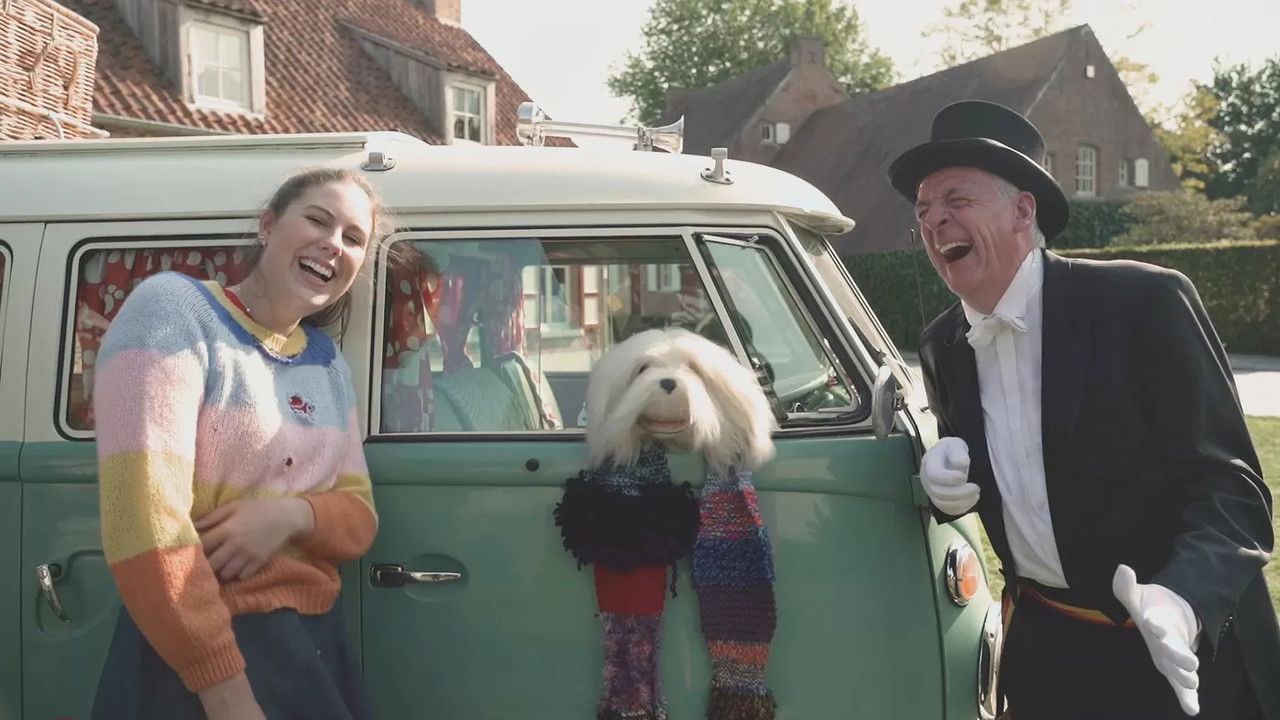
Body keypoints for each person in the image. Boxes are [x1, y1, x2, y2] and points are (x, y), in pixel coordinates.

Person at [892, 100, 1280, 719]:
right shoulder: (943, 345)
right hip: (1049, 656)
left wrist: (1181, 600)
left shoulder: (1144, 302)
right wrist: (944, 483)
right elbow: (1002, 477)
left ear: (1023, 211)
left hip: (1183, 655)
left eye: (957, 199)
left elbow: (1234, 492)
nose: (935, 220)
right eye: (923, 209)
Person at [91, 168, 388, 720]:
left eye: (353, 238)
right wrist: (225, 692)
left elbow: (360, 518)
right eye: (318, 220)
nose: (333, 244)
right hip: (197, 650)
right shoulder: (173, 310)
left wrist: (289, 517)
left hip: (310, 642)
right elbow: (145, 524)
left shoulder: (327, 362)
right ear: (267, 226)